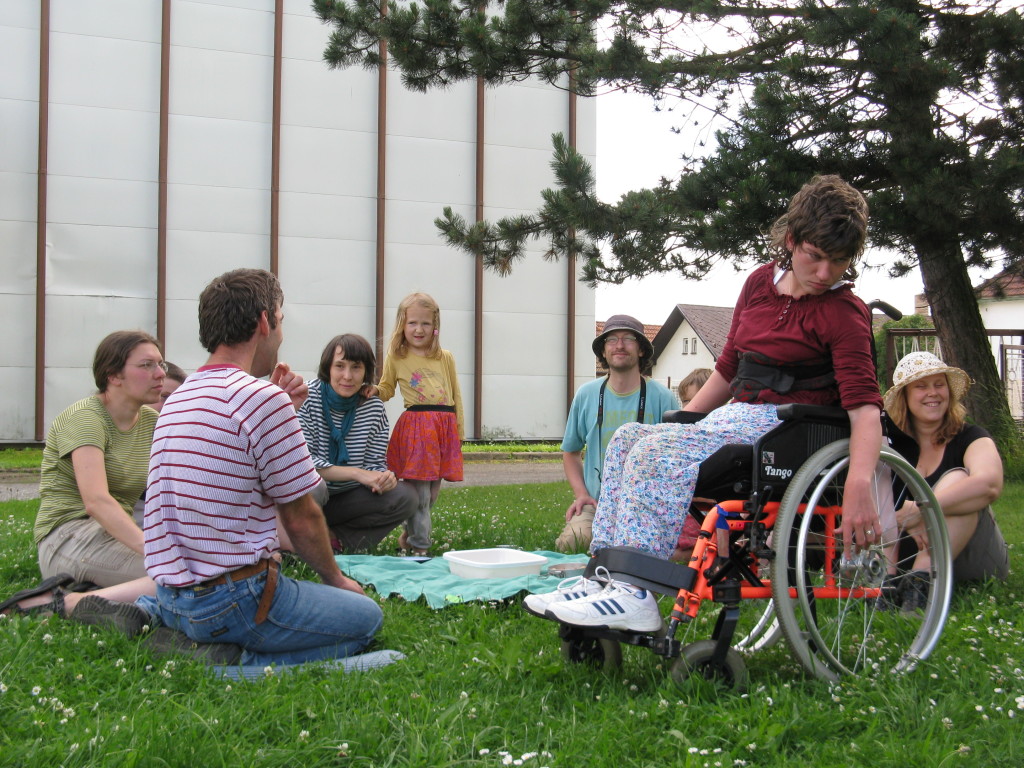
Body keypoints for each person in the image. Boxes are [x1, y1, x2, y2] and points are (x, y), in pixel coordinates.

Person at [525, 175, 884, 632]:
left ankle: (636, 590)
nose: (825, 273)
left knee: (658, 452)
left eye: (839, 261)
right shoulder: (759, 284)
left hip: (788, 430)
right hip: (737, 418)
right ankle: (604, 576)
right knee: (629, 438)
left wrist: (860, 481)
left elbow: (864, 409)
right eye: (815, 256)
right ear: (791, 240)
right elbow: (729, 367)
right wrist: (686, 421)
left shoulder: (843, 312)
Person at [135, 268, 383, 666]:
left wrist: (279, 404)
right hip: (233, 601)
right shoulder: (261, 399)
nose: (281, 334)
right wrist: (335, 580)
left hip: (172, 594)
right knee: (366, 618)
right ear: (264, 322)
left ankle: (160, 618)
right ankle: (238, 666)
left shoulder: (179, 398)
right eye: (280, 321)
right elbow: (300, 516)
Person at [1, 331, 163, 624]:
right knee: (183, 577)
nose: (160, 373)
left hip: (115, 534)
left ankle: (94, 594)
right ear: (113, 375)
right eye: (147, 365)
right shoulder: (86, 418)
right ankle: (57, 603)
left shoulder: (151, 422)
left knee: (199, 571)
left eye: (160, 364)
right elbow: (96, 501)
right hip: (68, 537)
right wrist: (156, 552)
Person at [883, 351, 1008, 606]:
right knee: (881, 495)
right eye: (921, 386)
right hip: (905, 551)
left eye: (939, 385)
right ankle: (886, 584)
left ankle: (919, 586)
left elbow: (989, 485)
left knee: (958, 480)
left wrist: (921, 510)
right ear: (904, 396)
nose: (933, 393)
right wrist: (902, 515)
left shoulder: (971, 436)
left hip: (971, 555)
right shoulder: (890, 446)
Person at [554, 315, 680, 553]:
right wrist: (582, 495)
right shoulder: (586, 394)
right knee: (573, 543)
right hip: (597, 504)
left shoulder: (663, 397)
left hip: (646, 505)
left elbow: (676, 458)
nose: (619, 345)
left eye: (628, 339)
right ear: (603, 350)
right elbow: (570, 452)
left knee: (641, 553)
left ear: (641, 350)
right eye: (611, 339)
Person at [297, 333, 418, 552]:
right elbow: (302, 464)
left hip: (347, 499)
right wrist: (357, 473)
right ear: (328, 367)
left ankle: (337, 542)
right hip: (311, 495)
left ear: (366, 371)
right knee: (312, 485)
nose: (347, 376)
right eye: (339, 366)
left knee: (406, 497)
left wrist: (383, 478)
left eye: (356, 367)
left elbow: (374, 463)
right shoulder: (306, 398)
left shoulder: (373, 407)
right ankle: (298, 545)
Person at [371, 292, 464, 556]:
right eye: (412, 323)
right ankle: (421, 548)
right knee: (421, 495)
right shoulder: (396, 356)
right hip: (417, 429)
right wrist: (373, 391)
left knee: (431, 495)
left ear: (435, 326)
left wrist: (459, 430)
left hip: (442, 429)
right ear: (402, 324)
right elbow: (387, 389)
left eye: (425, 323)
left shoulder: (445, 357)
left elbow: (455, 394)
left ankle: (410, 532)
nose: (418, 329)